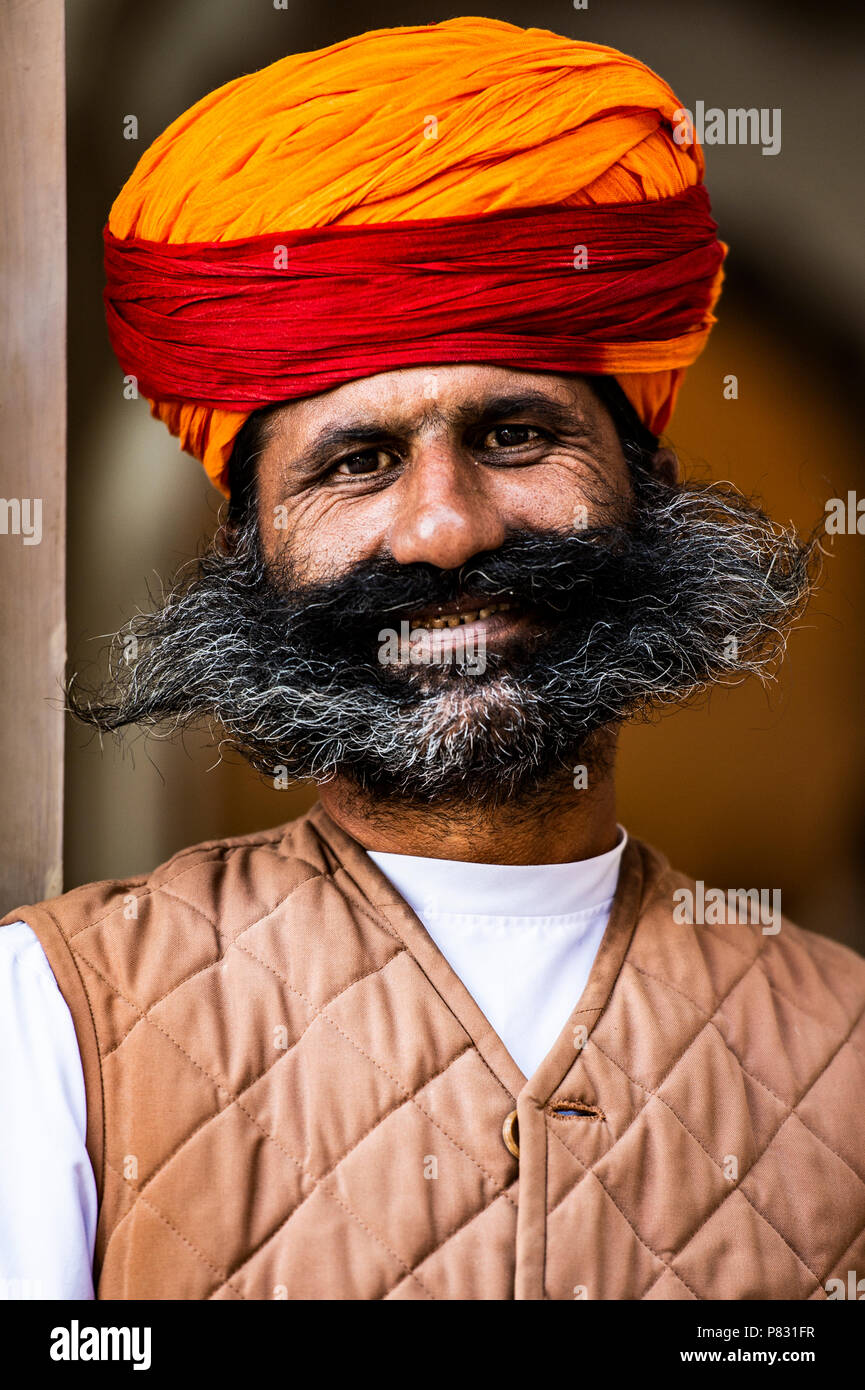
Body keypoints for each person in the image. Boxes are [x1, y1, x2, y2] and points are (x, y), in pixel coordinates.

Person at [2, 17, 863, 1302]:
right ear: (249, 540)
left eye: (516, 434)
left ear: (645, 483)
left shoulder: (845, 1041)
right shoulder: (53, 1020)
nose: (446, 527)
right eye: (356, 462)